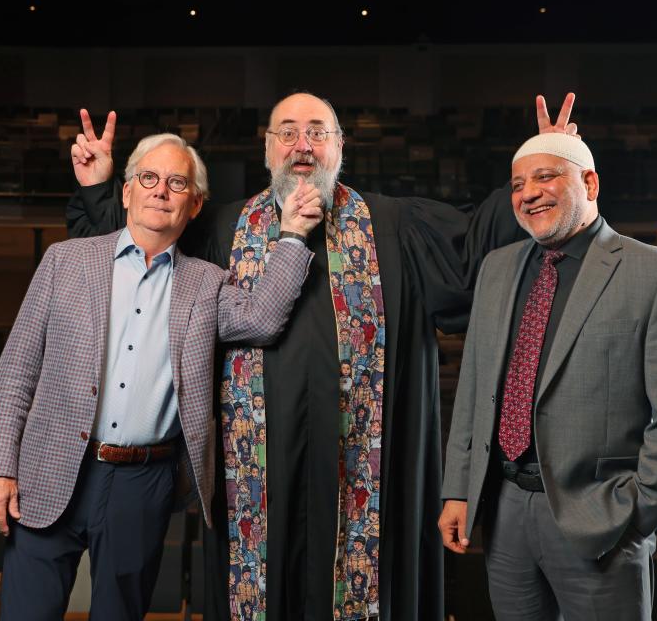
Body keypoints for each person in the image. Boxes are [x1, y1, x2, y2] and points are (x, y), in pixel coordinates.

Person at [65, 92, 576, 620]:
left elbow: (476, 252)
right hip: (253, 482)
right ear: (268, 149)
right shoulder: (221, 230)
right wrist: (100, 187)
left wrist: (549, 161)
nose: (301, 145)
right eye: (286, 132)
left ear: (340, 147)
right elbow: (136, 254)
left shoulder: (396, 227)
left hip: (367, 476)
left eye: (317, 131)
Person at [0, 131, 322, 620]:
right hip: (48, 472)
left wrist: (292, 235)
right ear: (126, 192)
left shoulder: (206, 283)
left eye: (177, 183)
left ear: (195, 204)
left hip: (142, 484)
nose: (160, 190)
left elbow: (264, 319)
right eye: (149, 178)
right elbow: (15, 373)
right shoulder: (63, 261)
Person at [438, 131, 657, 620]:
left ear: (590, 182)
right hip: (504, 512)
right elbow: (476, 389)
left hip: (601, 517)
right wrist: (459, 488)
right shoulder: (497, 268)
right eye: (518, 184)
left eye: (546, 177)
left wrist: (639, 513)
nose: (529, 193)